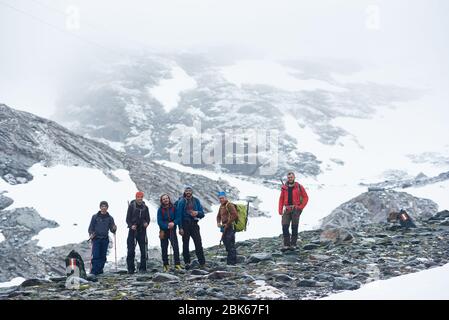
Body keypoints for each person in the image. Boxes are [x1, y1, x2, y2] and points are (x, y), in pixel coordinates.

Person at [175, 186, 206, 269]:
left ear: (192, 192)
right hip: (185, 224)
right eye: (186, 191)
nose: (188, 192)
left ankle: (202, 262)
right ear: (184, 192)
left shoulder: (196, 201)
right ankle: (187, 263)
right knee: (185, 244)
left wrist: (197, 213)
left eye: (189, 191)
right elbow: (179, 215)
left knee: (198, 242)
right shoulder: (181, 201)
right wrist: (180, 228)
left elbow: (202, 214)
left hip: (194, 224)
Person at [278, 172, 309, 251]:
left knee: (294, 227)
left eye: (291, 177)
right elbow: (281, 199)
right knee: (285, 226)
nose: (290, 178)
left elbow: (305, 197)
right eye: (288, 177)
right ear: (287, 178)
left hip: (296, 209)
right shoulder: (284, 188)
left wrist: (300, 207)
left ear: (294, 177)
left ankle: (293, 244)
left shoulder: (299, 186)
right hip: (287, 209)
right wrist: (280, 209)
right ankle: (286, 245)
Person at [88, 201, 117, 276]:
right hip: (96, 238)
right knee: (96, 255)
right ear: (100, 207)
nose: (104, 207)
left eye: (105, 206)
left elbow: (112, 229)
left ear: (107, 207)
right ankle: (94, 272)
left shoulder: (110, 218)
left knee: (103, 256)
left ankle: (100, 270)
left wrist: (114, 228)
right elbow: (90, 228)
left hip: (105, 239)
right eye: (102, 206)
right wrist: (91, 234)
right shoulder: (95, 217)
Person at [126, 191, 150, 274]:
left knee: (143, 250)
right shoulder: (131, 206)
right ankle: (130, 269)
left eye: (141, 197)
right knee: (131, 250)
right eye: (138, 197)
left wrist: (146, 223)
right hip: (132, 230)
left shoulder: (145, 208)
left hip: (142, 230)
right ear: (136, 197)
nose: (139, 198)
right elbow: (127, 219)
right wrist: (131, 225)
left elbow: (148, 219)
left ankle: (143, 268)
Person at [157, 194, 182, 272]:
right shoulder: (160, 210)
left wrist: (174, 223)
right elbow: (159, 221)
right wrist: (167, 225)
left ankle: (177, 264)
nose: (165, 200)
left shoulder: (174, 208)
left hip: (172, 230)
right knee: (164, 248)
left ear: (169, 199)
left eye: (167, 198)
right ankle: (165, 265)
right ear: (162, 201)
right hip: (163, 231)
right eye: (164, 199)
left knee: (175, 247)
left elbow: (178, 218)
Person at [216, 191, 238, 265]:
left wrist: (228, 223)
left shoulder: (229, 205)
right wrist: (218, 223)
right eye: (220, 198)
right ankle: (230, 261)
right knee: (226, 242)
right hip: (224, 227)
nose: (221, 199)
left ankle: (232, 262)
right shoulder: (221, 206)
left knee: (230, 243)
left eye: (222, 198)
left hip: (230, 226)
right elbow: (218, 216)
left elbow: (235, 215)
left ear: (225, 198)